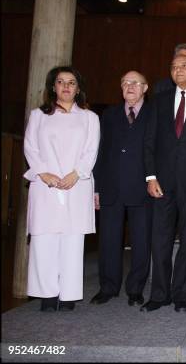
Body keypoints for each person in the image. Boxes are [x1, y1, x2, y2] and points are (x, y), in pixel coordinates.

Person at [23, 66, 100, 312]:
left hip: (76, 184)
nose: (66, 86)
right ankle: (46, 294)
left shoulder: (89, 118)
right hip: (45, 184)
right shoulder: (38, 115)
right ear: (53, 87)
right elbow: (30, 147)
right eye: (60, 82)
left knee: (72, 240)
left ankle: (68, 295)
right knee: (44, 239)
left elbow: (91, 150)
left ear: (78, 89)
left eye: (71, 82)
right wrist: (42, 172)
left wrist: (76, 173)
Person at [142, 54, 186, 313]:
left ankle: (183, 294)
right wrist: (150, 177)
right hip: (162, 182)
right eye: (174, 67)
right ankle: (159, 294)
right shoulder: (159, 101)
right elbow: (149, 142)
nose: (178, 70)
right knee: (159, 239)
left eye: (184, 66)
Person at [91, 71, 152, 307]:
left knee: (141, 240)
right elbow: (101, 151)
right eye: (125, 82)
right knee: (108, 240)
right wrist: (97, 187)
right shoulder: (109, 114)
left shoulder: (154, 113)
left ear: (145, 88)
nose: (130, 86)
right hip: (111, 187)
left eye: (135, 83)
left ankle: (135, 288)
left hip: (142, 187)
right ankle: (107, 287)